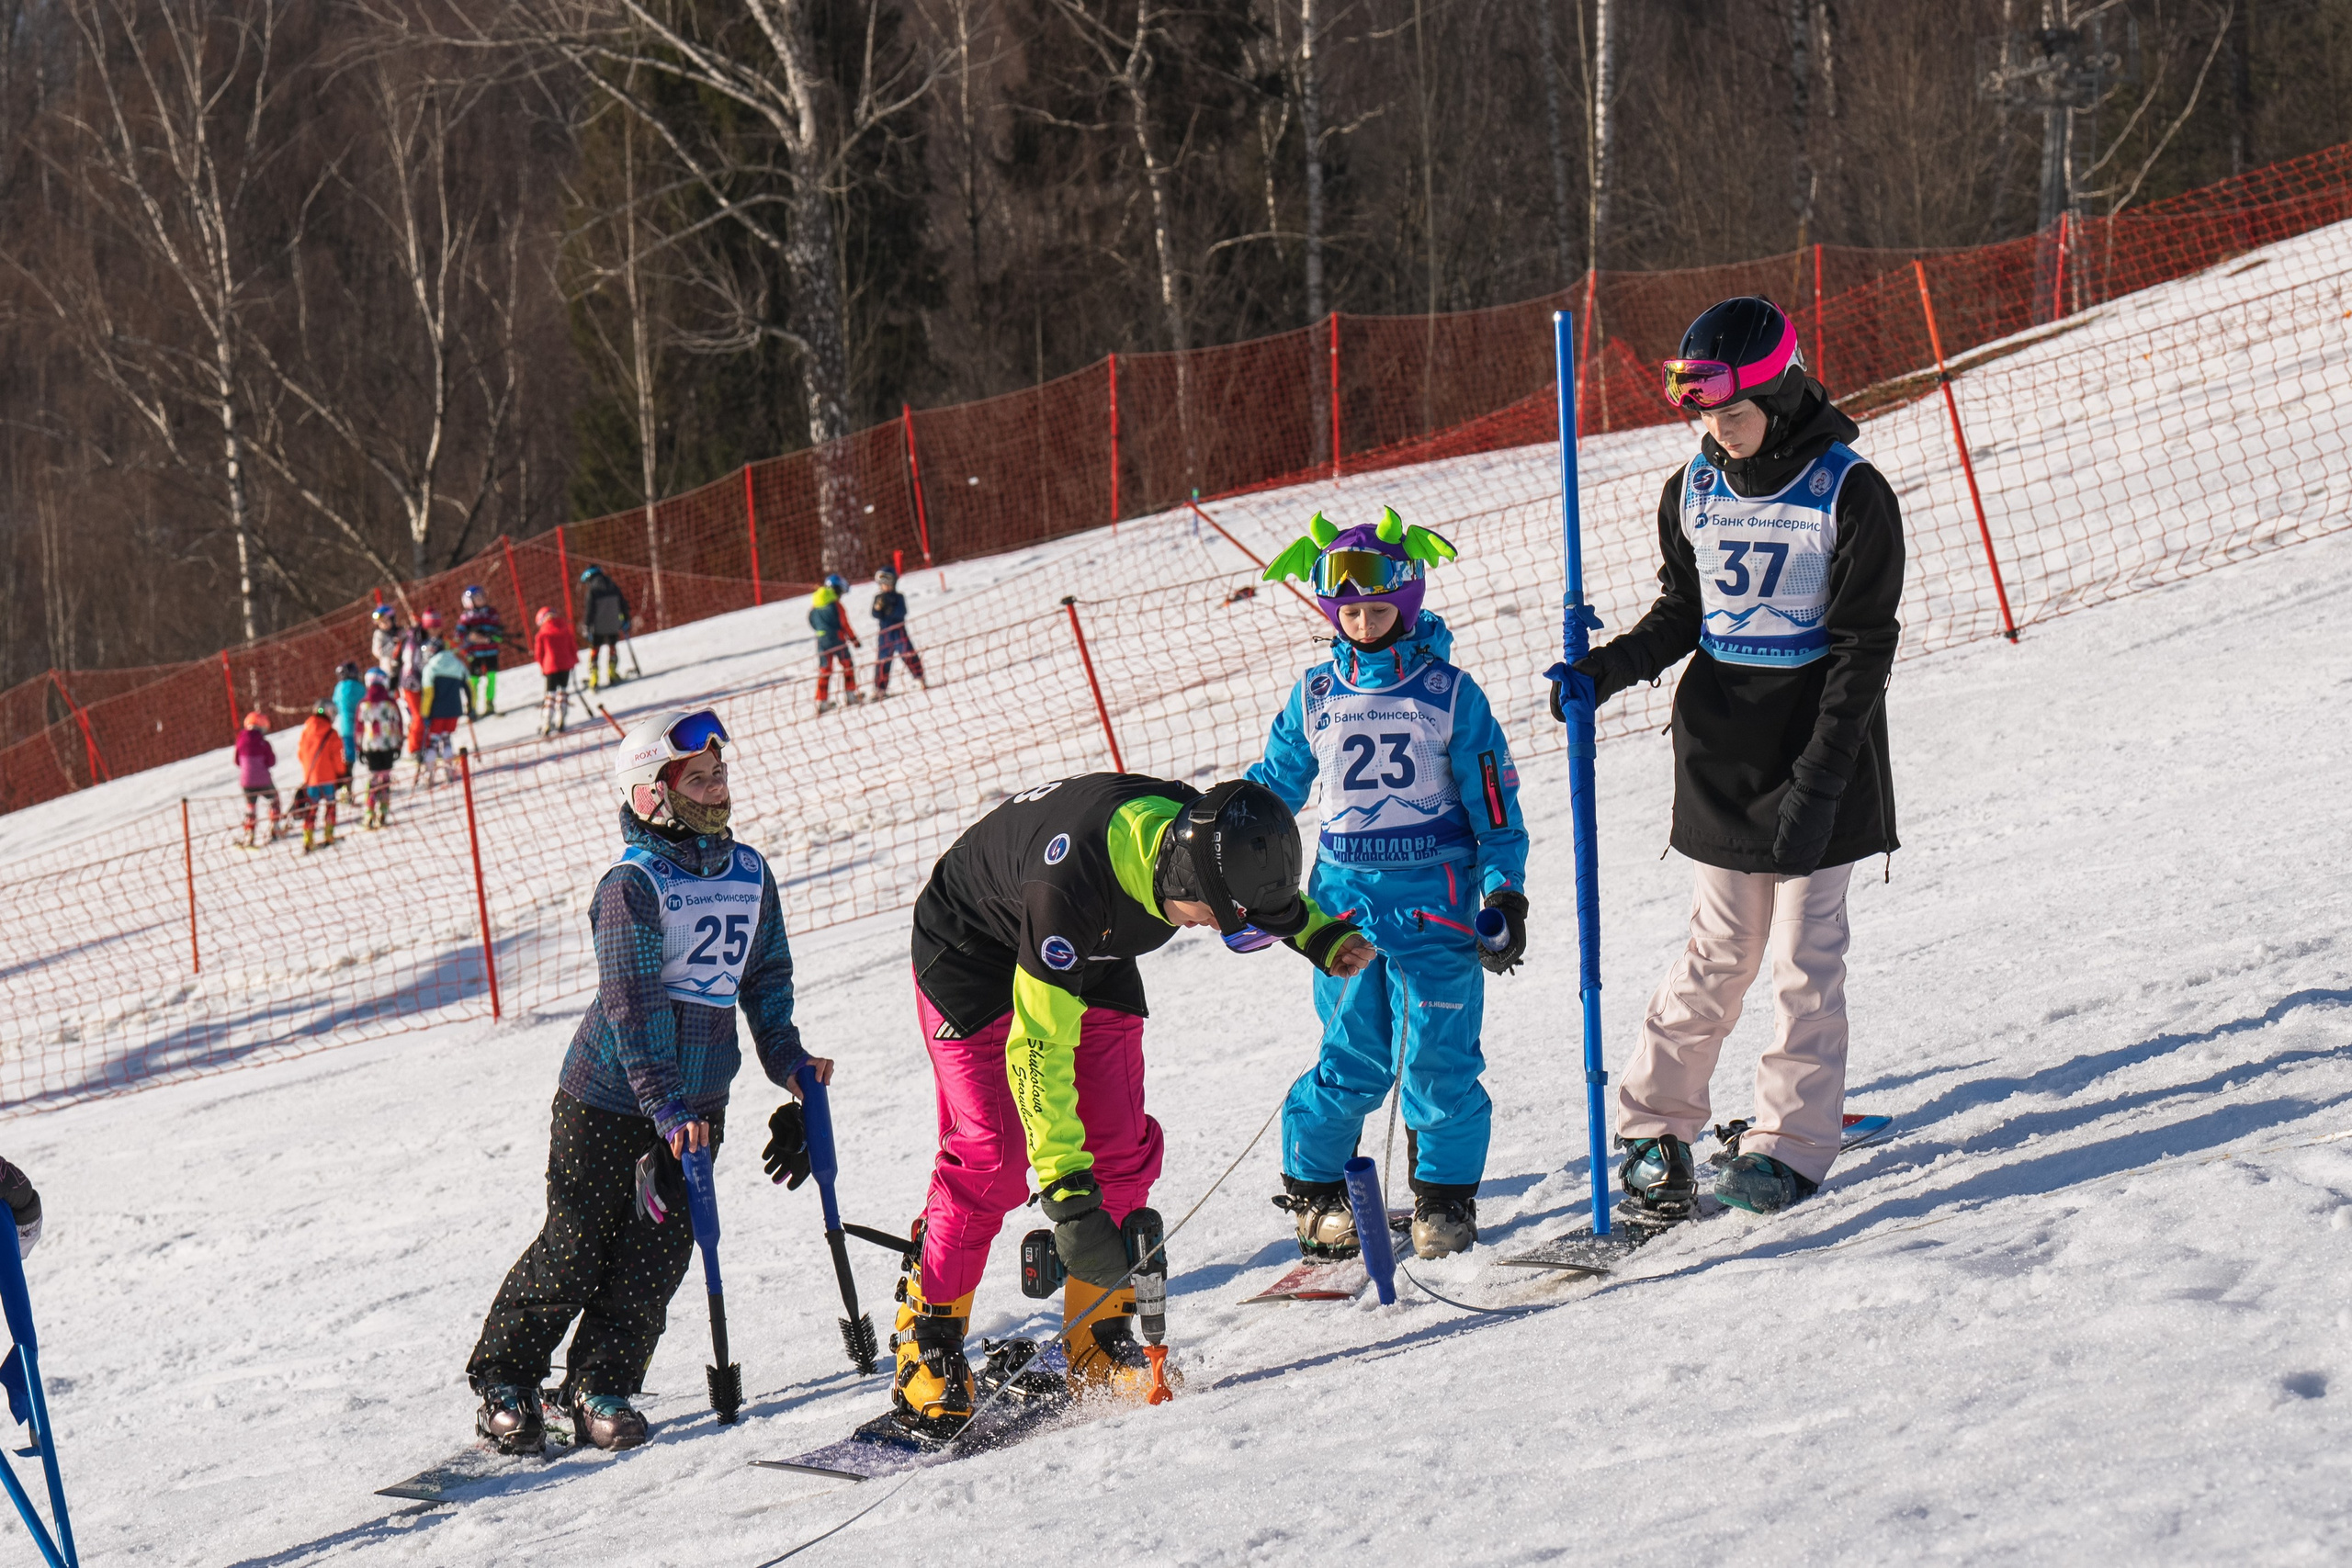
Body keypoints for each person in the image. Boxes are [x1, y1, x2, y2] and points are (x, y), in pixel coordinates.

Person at [1555, 296, 1903, 1218]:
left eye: (1732, 415)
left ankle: (1788, 1143)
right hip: (1721, 756)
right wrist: (1610, 667)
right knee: (1716, 954)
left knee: (1803, 960)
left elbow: (1864, 649)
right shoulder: (1694, 487)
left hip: (1819, 756)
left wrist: (1821, 785)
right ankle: (1653, 1132)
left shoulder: (1849, 490)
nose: (1718, 433)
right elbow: (1682, 612)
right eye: (1704, 417)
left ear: (1781, 393)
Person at [891, 773, 1374, 1436]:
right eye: (1217, 919)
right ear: (1188, 889)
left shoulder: (1197, 832)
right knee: (995, 1154)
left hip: (1093, 942)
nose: (1217, 930)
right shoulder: (1072, 889)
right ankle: (929, 1337)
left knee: (1120, 1142)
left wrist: (1316, 933)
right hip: (971, 946)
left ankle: (1096, 1337)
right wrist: (1065, 1194)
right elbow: (1036, 1052)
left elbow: (1255, 883)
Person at [466, 709, 825, 1455]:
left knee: (654, 1258)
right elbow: (633, 1006)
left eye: (719, 772)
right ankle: (509, 1376)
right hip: (609, 1099)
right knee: (577, 1245)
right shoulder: (633, 885)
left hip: (695, 1109)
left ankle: (600, 1382)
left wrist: (788, 1060)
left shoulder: (750, 872)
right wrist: (662, 1104)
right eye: (698, 776)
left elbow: (764, 979)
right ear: (648, 796)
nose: (717, 784)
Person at [1249, 506, 1530, 1260]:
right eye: (1349, 611)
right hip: (1342, 908)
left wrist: (1505, 893)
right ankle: (1315, 1193)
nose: (1364, 623)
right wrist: (1232, 857)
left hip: (1437, 906)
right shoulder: (1314, 693)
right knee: (1355, 1056)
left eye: (1377, 608)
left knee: (1441, 1057)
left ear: (1404, 603)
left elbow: (1494, 805)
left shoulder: (1449, 693)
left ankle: (1443, 1198)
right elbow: (1273, 788)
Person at [294, 701, 346, 852]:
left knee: (312, 809)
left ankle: (308, 839)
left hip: (311, 780)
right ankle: (329, 835)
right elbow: (338, 758)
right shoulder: (332, 733)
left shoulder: (306, 731)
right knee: (330, 807)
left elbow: (300, 754)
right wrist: (341, 773)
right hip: (328, 779)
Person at [420, 636, 471, 785]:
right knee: (447, 739)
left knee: (433, 743)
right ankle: (450, 772)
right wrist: (471, 707)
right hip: (454, 711)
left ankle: (428, 774)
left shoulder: (430, 667)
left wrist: (425, 713)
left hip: (436, 712)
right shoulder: (457, 663)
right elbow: (469, 686)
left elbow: (428, 693)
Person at [356, 671, 404, 829]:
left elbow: (358, 727)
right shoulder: (390, 703)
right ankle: (383, 810)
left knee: (374, 778)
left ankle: (369, 811)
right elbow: (398, 723)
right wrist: (398, 744)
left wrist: (358, 747)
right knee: (386, 778)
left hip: (370, 746)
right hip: (388, 744)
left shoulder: (364, 704)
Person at [808, 572, 859, 715]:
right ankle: (851, 695)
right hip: (837, 639)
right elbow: (844, 623)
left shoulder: (815, 605)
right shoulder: (836, 605)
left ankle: (821, 702)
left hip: (821, 641)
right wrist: (853, 639)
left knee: (825, 669)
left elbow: (812, 621)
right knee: (847, 664)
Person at [870, 568, 926, 696]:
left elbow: (902, 612)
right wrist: (878, 608)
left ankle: (919, 678)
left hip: (899, 632)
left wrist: (891, 611)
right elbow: (874, 614)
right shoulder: (879, 598)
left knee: (909, 655)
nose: (886, 587)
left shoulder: (898, 597)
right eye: (883, 585)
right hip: (885, 634)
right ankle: (880, 688)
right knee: (883, 661)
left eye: (888, 584)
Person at [397, 610, 440, 767]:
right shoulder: (415, 642)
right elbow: (413, 664)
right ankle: (414, 748)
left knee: (428, 714)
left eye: (437, 627)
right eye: (432, 627)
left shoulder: (427, 639)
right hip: (412, 683)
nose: (435, 631)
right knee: (419, 716)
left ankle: (427, 744)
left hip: (422, 682)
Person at [232, 713, 281, 847]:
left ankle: (249, 834)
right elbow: (271, 761)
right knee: (274, 799)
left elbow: (237, 761)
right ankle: (275, 828)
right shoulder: (264, 743)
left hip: (246, 782)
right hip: (263, 780)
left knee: (251, 807)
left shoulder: (240, 741)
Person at [458, 586, 505, 716]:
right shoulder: (466, 617)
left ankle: (489, 702)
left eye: (482, 597)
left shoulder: (491, 613)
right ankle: (471, 705)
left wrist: (495, 635)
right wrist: (472, 637)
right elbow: (459, 634)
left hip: (491, 652)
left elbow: (498, 630)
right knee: (474, 680)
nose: (482, 599)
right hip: (475, 654)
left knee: (491, 677)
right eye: (478, 598)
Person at [580, 567, 631, 689]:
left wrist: (587, 626)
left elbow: (589, 611)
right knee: (612, 647)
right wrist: (626, 620)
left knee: (595, 649)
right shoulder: (613, 586)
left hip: (598, 626)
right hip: (614, 624)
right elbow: (623, 604)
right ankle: (612, 673)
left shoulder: (592, 590)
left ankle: (594, 678)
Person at [533, 606, 579, 737]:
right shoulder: (565, 629)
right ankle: (561, 720)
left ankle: (546, 723)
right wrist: (573, 660)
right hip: (565, 665)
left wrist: (542, 666)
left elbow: (539, 654)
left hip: (550, 667)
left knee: (550, 695)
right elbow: (573, 646)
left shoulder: (542, 634)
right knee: (563, 693)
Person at [331, 660, 366, 801]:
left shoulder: (339, 688)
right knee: (367, 756)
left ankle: (347, 792)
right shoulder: (360, 687)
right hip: (361, 727)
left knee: (348, 761)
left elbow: (335, 703)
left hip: (346, 729)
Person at [369, 604, 403, 683]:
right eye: (380, 623)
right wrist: (393, 644)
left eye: (385, 621)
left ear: (392, 619)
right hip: (389, 671)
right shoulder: (379, 635)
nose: (383, 624)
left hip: (403, 668)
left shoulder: (401, 632)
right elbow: (379, 652)